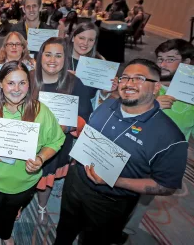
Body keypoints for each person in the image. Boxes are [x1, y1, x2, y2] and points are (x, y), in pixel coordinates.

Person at [53, 58, 188, 245]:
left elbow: (166, 185)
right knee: (64, 231)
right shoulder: (108, 105)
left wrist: (117, 181)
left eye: (139, 78)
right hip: (75, 184)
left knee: (94, 241)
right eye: (125, 78)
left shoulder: (170, 137)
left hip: (111, 199)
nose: (129, 83)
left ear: (156, 87)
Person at [0, 61, 66, 245]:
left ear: (29, 85)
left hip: (23, 180)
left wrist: (41, 158)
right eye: (10, 83)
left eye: (22, 83)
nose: (16, 89)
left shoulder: (40, 111)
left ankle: (4, 233)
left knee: (10, 212)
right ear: (0, 85)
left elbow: (56, 140)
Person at [120, 39, 194, 242]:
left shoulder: (191, 95)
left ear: (186, 62)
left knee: (144, 197)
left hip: (165, 156)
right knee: (121, 189)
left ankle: (127, 229)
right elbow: (121, 115)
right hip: (135, 147)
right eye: (160, 59)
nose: (162, 65)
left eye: (170, 59)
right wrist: (152, 105)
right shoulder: (147, 86)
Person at [31, 37, 93, 224]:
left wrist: (68, 126)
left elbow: (85, 114)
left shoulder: (74, 82)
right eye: (48, 54)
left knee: (46, 177)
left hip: (57, 143)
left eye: (58, 55)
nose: (52, 59)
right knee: (22, 174)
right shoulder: (28, 77)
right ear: (40, 56)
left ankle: (42, 206)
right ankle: (18, 203)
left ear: (65, 59)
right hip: (28, 139)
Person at [66, 23, 117, 109]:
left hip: (85, 110)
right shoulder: (59, 57)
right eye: (81, 38)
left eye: (90, 40)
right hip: (59, 108)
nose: (85, 43)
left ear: (94, 42)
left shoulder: (100, 62)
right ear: (73, 38)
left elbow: (99, 97)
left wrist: (105, 91)